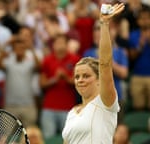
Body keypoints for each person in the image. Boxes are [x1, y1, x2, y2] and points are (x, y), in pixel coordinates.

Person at [62, 3, 125, 144]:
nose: (80, 80)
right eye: (77, 76)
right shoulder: (72, 113)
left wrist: (104, 23)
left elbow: (105, 64)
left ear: (99, 80)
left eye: (86, 76)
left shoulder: (105, 103)